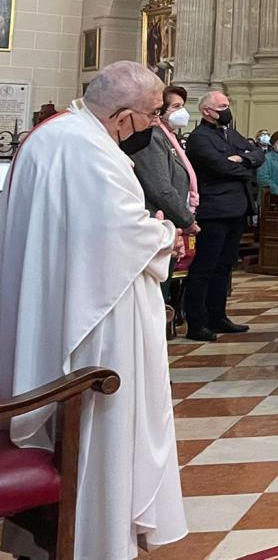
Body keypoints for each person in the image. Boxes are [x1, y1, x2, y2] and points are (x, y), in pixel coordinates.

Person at [0, 62, 186, 558]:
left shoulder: (52, 135)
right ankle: (94, 538)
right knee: (102, 424)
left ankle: (51, 539)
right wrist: (166, 233)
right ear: (124, 116)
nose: (154, 126)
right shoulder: (90, 151)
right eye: (151, 116)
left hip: (59, 301)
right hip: (99, 318)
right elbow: (119, 235)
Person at [183, 90, 263, 341]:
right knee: (205, 267)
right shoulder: (199, 138)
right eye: (222, 106)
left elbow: (258, 153)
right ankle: (197, 323)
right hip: (214, 211)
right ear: (207, 111)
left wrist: (242, 159)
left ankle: (218, 316)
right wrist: (243, 165)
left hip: (237, 208)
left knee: (224, 267)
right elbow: (219, 166)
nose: (227, 109)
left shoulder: (231, 134)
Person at [129, 84, 198, 231]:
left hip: (170, 220)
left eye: (183, 106)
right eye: (176, 106)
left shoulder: (169, 137)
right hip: (158, 220)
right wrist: (187, 220)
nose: (182, 111)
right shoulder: (153, 137)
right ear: (160, 111)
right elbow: (161, 188)